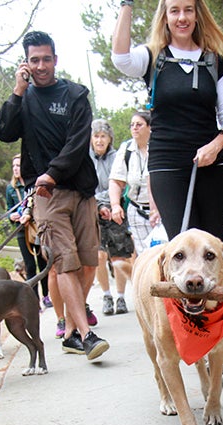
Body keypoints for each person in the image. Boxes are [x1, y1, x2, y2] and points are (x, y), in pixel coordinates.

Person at [0, 30, 109, 361]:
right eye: (34, 60)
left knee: (88, 263)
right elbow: (3, 132)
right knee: (65, 264)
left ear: (55, 59)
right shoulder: (24, 99)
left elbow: (76, 143)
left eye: (46, 59)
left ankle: (71, 332)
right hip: (46, 196)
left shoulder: (74, 94)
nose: (41, 66)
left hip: (80, 189)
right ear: (25, 63)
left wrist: (52, 172)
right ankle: (86, 336)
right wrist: (17, 90)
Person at [111, 0, 223, 242]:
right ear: (165, 16)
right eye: (175, 11)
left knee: (214, 245)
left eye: (188, 10)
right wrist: (126, 4)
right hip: (167, 165)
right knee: (185, 245)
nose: (182, 17)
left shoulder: (215, 61)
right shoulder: (152, 57)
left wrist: (217, 145)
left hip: (211, 163)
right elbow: (120, 59)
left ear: (197, 14)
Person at [90, 119, 135, 316]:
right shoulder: (84, 158)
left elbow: (122, 183)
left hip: (116, 210)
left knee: (119, 255)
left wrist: (111, 205)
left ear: (110, 139)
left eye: (103, 136)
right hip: (92, 210)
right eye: (96, 136)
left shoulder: (118, 157)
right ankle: (107, 296)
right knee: (99, 255)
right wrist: (98, 206)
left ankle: (121, 296)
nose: (100, 140)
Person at [109, 111, 157, 255]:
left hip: (161, 212)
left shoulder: (158, 146)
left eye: (139, 124)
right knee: (144, 255)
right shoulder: (126, 149)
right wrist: (115, 205)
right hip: (137, 210)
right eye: (132, 125)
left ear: (149, 127)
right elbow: (116, 180)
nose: (134, 128)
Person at [6, 154, 51, 307]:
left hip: (37, 229)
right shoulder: (11, 188)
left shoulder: (34, 183)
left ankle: (46, 295)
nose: (16, 169)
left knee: (42, 264)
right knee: (29, 266)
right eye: (14, 166)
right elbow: (8, 211)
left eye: (18, 165)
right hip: (22, 231)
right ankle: (34, 301)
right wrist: (12, 216)